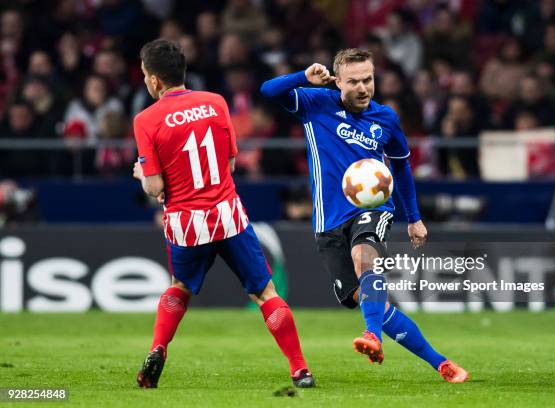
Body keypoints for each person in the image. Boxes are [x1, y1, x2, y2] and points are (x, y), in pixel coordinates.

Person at [260, 49, 468, 383]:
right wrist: (303, 77)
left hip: (372, 207)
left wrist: (413, 216)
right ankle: (440, 362)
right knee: (365, 298)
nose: (362, 87)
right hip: (328, 220)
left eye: (368, 79)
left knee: (364, 259)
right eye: (353, 81)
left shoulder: (385, 118)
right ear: (338, 81)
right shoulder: (316, 103)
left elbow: (400, 166)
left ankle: (372, 336)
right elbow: (268, 90)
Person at [132, 39, 314, 389]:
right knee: (265, 293)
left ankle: (158, 348)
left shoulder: (145, 120)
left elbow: (155, 189)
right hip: (227, 214)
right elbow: (229, 164)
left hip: (186, 224)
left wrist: (142, 174)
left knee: (180, 288)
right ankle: (300, 369)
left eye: (144, 76)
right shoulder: (215, 102)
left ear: (154, 80)